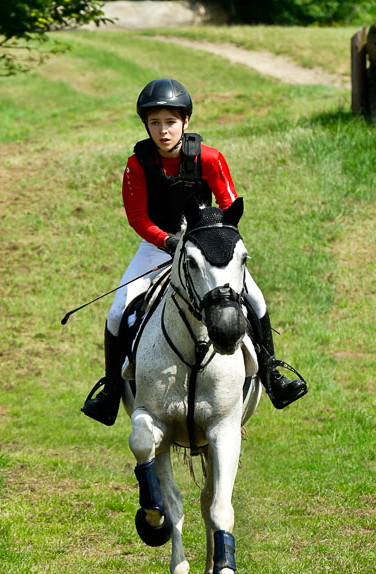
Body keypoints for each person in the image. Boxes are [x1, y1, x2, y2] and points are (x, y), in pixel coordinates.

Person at [81, 78, 307, 426]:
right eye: (154, 123)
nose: (162, 130)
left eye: (169, 122)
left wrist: (214, 237)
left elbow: (229, 203)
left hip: (205, 245)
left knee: (257, 301)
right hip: (159, 246)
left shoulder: (210, 158)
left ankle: (272, 375)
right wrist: (170, 242)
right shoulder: (137, 164)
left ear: (185, 122)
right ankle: (111, 391)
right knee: (116, 312)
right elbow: (138, 217)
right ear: (146, 126)